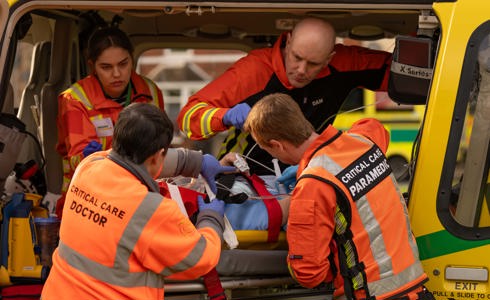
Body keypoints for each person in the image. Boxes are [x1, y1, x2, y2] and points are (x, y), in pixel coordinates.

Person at [243, 93, 434, 300]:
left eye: (267, 149)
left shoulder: (312, 186)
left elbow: (309, 273)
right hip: (415, 288)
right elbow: (373, 125)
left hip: (370, 294)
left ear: (277, 145)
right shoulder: (364, 142)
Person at [42, 103, 228, 299]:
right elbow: (200, 259)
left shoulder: (88, 166)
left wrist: (192, 162)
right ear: (158, 156)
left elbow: (129, 159)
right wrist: (211, 219)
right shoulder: (152, 210)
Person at [177, 17, 392, 180]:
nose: (301, 70)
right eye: (297, 57)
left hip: (310, 175)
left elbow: (406, 72)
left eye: (313, 64)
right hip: (243, 176)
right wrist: (225, 116)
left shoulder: (345, 64)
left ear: (329, 59)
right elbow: (188, 118)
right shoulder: (253, 71)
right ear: (288, 42)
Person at [55, 26, 229, 218]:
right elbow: (81, 161)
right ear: (92, 66)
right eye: (106, 67)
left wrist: (192, 164)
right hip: (87, 201)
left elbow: (160, 150)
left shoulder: (150, 90)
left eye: (123, 64)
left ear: (132, 58)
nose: (116, 74)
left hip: (140, 197)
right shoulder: (75, 100)